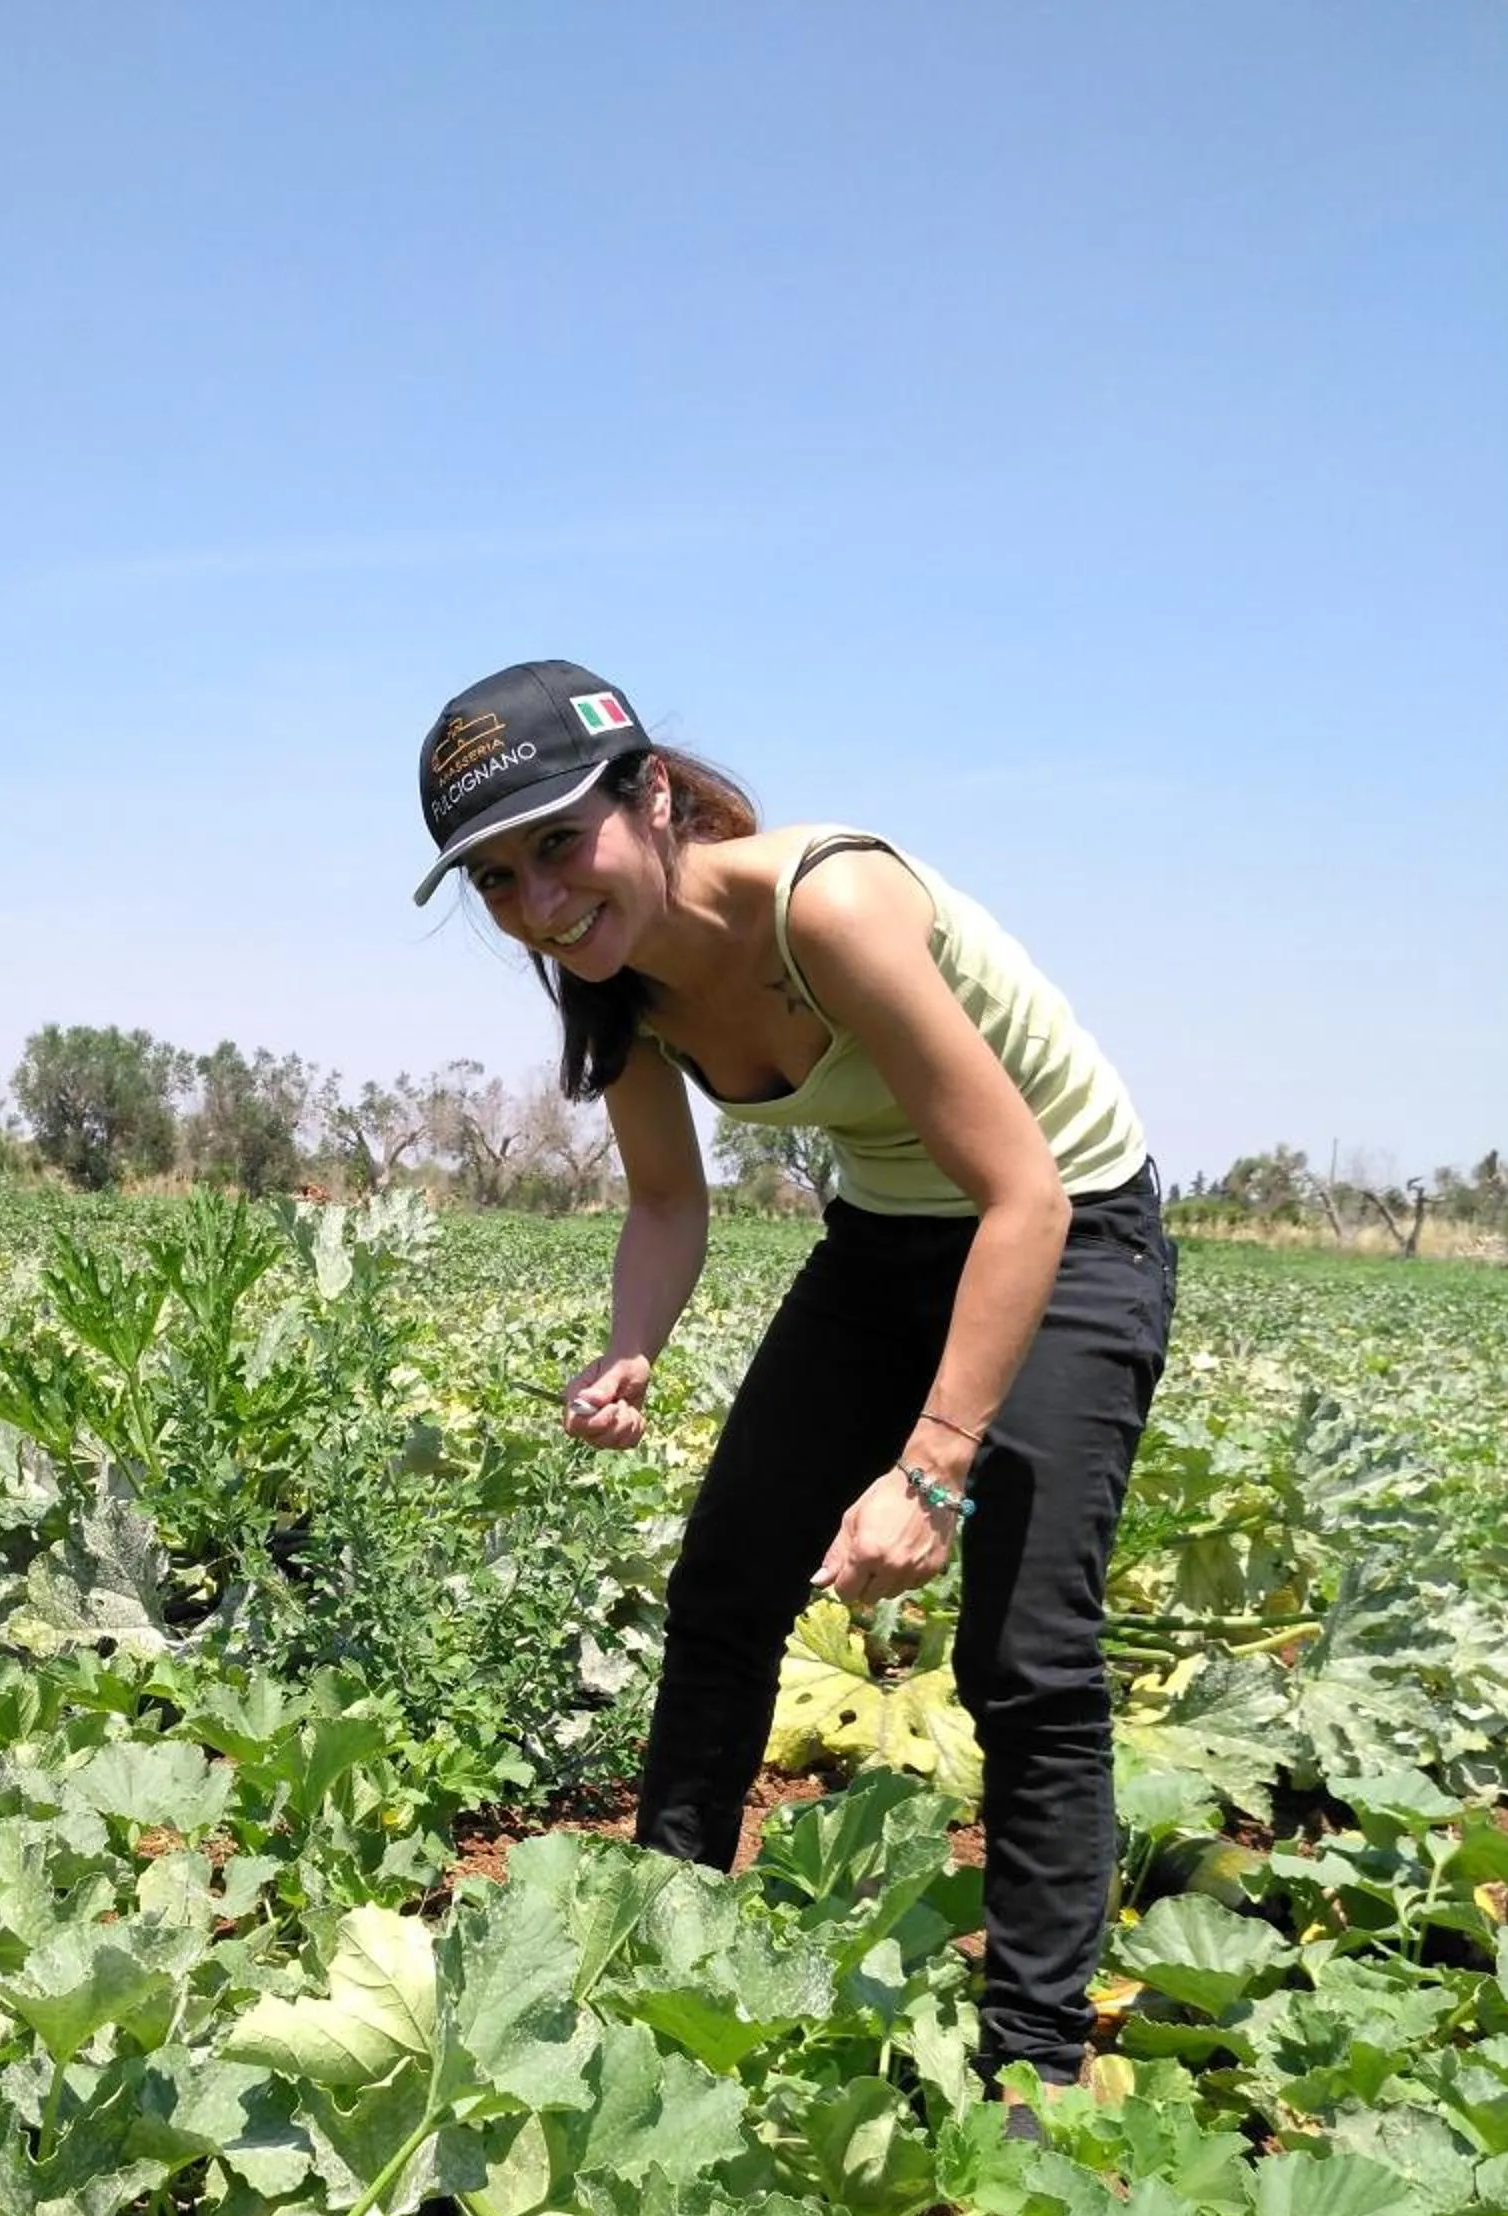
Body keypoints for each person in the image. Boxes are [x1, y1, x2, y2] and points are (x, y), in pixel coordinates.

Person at [413, 661, 1175, 2094]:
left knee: (1026, 1660)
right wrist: (632, 1345)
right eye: (496, 878)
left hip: (1067, 1233)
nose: (537, 903)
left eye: (559, 844)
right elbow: (664, 1201)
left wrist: (930, 1467)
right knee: (722, 1591)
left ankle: (1034, 2076)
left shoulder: (830, 905)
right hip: (886, 1238)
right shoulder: (611, 971)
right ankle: (659, 1955)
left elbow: (1024, 1196)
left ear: (651, 795)